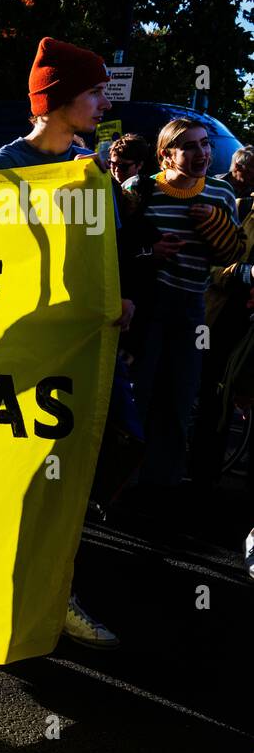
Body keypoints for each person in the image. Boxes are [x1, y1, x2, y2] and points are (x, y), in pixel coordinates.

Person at [0, 36, 126, 650]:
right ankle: (4, 594)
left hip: (75, 344)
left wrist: (119, 297)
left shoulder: (92, 170)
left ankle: (51, 584)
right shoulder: (2, 166)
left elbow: (107, 253)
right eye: (92, 92)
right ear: (59, 98)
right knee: (13, 475)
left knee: (107, 450)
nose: (101, 102)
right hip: (15, 346)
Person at [123, 118, 242, 498]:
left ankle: (163, 484)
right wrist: (149, 252)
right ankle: (122, 479)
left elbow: (233, 255)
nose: (202, 153)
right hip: (145, 307)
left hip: (194, 311)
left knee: (180, 396)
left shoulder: (222, 194)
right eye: (189, 147)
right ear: (165, 155)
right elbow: (115, 250)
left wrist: (222, 233)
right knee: (135, 392)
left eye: (205, 144)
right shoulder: (139, 190)